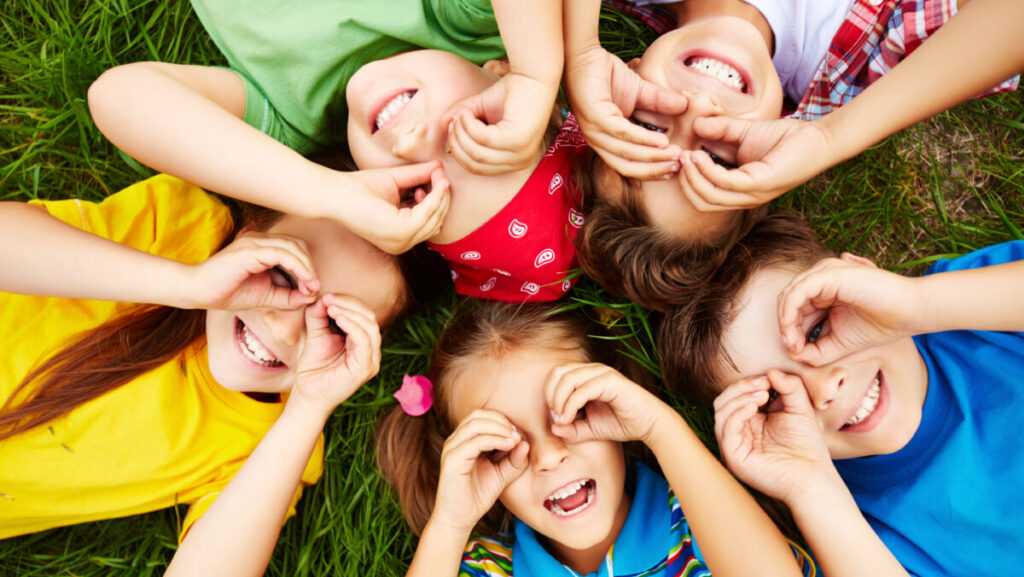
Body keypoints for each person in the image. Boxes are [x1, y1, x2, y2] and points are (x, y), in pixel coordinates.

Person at [0, 174, 445, 574]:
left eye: (332, 324)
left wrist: (309, 408)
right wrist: (187, 284)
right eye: (284, 276)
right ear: (247, 238)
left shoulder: (274, 443)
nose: (284, 326)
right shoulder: (178, 227)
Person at [88, 0, 587, 302]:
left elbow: (118, 96)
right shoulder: (463, 18)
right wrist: (537, 71)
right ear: (498, 72)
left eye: (415, 189)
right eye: (473, 131)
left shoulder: (288, 124)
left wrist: (327, 193)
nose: (413, 142)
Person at [565, 0, 1022, 310]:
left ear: (620, 82)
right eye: (719, 160)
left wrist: (579, 50)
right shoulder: (875, 62)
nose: (699, 109)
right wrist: (829, 137)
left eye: (647, 129)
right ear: (770, 153)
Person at [657, 212, 1024, 575]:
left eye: (817, 331)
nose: (824, 389)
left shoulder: (970, 308)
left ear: (863, 281)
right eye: (775, 396)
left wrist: (917, 303)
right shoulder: (851, 534)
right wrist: (809, 487)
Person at [375, 302, 815, 577]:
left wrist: (660, 428)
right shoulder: (486, 569)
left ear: (614, 403)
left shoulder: (702, 520)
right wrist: (449, 524)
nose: (548, 457)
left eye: (572, 413)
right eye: (503, 446)